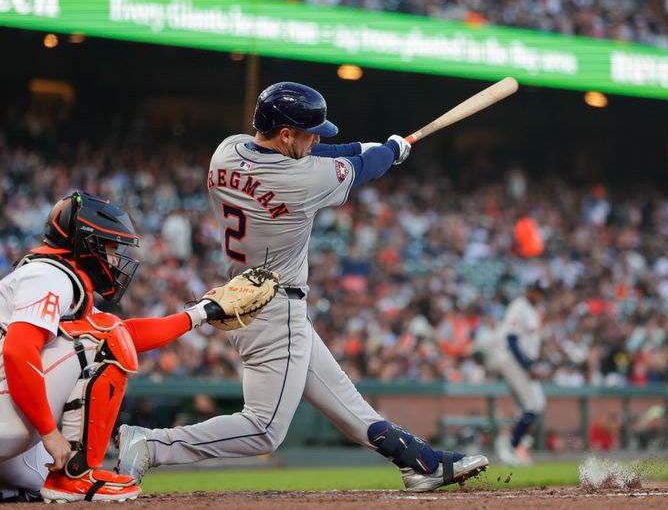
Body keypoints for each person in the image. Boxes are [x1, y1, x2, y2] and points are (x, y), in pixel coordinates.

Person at [117, 81, 488, 491]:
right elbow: (368, 167)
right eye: (307, 133)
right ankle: (151, 445)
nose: (315, 140)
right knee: (264, 429)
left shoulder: (227, 150)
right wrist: (392, 150)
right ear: (285, 134)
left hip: (241, 297)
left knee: (345, 400)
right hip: (276, 307)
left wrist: (370, 145)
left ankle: (420, 462)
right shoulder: (301, 182)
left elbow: (320, 154)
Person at [0, 191, 240, 503]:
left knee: (33, 479)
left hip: (7, 419)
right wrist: (48, 430)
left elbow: (130, 334)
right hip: (7, 420)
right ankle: (78, 476)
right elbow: (18, 351)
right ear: (86, 243)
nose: (115, 259)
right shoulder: (49, 275)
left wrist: (201, 312)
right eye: (111, 247)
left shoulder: (58, 276)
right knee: (107, 336)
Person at [477, 281, 547, 466]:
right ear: (528, 290)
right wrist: (527, 366)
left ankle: (512, 441)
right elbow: (511, 339)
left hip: (525, 362)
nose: (538, 295)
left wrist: (533, 364)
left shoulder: (534, 309)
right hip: (513, 361)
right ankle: (512, 446)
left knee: (537, 403)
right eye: (536, 291)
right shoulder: (519, 307)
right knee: (531, 405)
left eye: (541, 292)